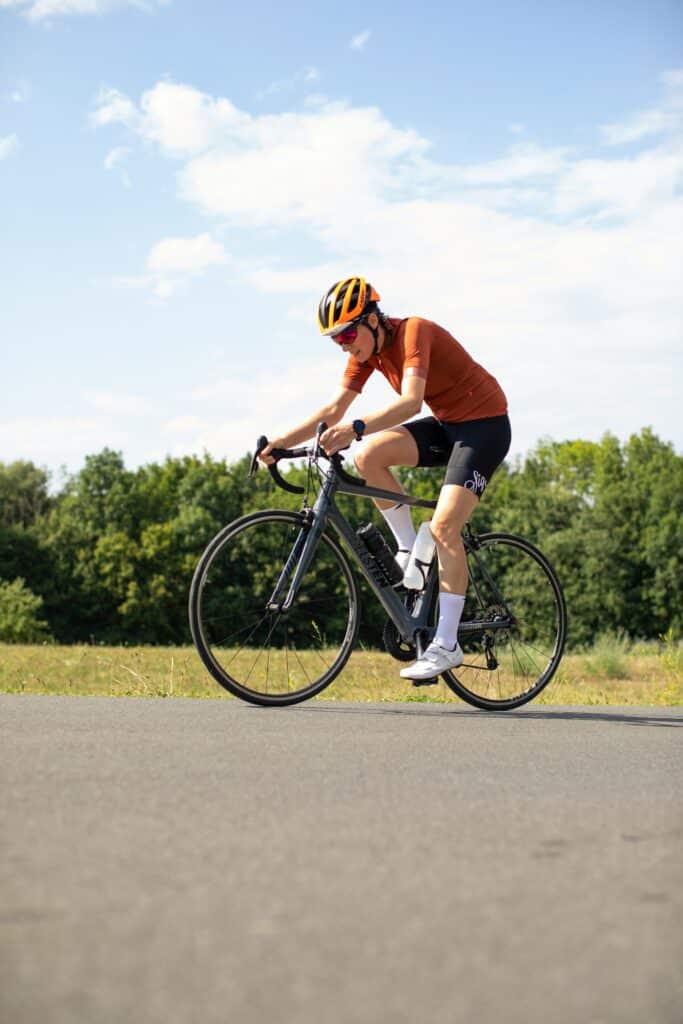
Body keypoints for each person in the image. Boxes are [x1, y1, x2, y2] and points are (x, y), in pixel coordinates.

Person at [260, 277, 511, 681]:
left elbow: (411, 402)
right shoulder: (366, 353)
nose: (345, 344)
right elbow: (334, 408)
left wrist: (356, 426)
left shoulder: (415, 332)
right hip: (449, 425)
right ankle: (409, 549)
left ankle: (447, 644)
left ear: (373, 319)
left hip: (485, 427)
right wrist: (281, 441)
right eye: (336, 340)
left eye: (348, 333)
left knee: (445, 527)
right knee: (368, 455)